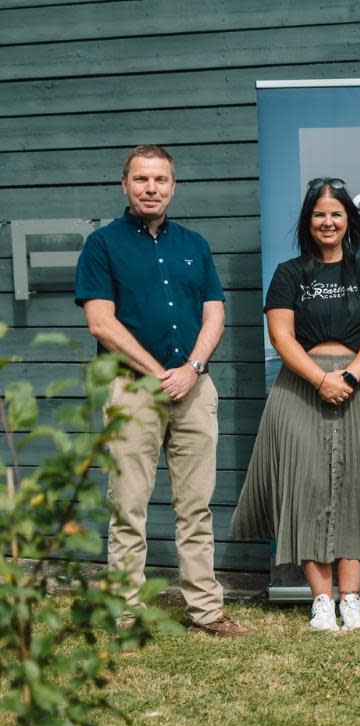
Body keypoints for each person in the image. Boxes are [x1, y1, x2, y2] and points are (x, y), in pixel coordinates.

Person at [75, 145, 248, 636]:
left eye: (161, 180)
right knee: (127, 507)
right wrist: (158, 373)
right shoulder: (103, 245)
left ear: (173, 186)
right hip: (134, 391)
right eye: (141, 180)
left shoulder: (194, 242)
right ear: (124, 185)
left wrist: (192, 368)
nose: (152, 188)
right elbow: (101, 323)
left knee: (196, 507)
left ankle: (205, 611)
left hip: (195, 389)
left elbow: (214, 313)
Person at [230, 177, 360, 632]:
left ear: (349, 220)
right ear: (309, 221)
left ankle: (352, 599)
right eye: (319, 214)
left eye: (336, 214)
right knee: (304, 488)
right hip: (300, 385)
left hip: (358, 385)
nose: (328, 221)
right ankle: (321, 600)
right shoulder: (289, 272)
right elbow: (281, 336)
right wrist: (320, 378)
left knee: (357, 488)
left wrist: (347, 376)